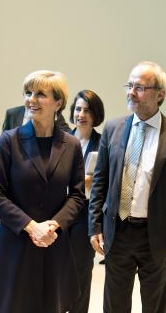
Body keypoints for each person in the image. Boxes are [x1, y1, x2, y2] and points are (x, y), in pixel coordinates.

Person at [88, 61, 166, 313]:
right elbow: (100, 182)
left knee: (156, 304)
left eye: (139, 87)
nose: (131, 92)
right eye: (129, 85)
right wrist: (94, 225)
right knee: (114, 303)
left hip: (158, 235)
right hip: (118, 231)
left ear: (160, 94)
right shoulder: (113, 129)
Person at [0, 70, 85, 313]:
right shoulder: (9, 140)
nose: (31, 100)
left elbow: (77, 195)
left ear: (58, 103)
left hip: (52, 245)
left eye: (40, 94)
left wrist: (52, 225)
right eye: (28, 93)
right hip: (14, 244)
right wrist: (31, 226)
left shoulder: (72, 145)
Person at [67, 89, 105, 313]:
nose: (81, 114)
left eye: (87, 110)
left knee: (81, 270)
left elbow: (108, 180)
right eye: (78, 109)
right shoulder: (60, 139)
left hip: (86, 214)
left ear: (95, 115)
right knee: (58, 269)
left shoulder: (103, 142)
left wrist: (93, 181)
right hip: (58, 213)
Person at [2, 95, 70, 132]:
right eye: (28, 93)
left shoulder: (52, 114)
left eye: (40, 94)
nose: (32, 99)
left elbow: (68, 135)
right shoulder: (12, 113)